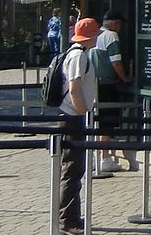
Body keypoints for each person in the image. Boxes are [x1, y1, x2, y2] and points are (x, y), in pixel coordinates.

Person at [58, 18, 100, 235]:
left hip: (74, 116)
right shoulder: (78, 56)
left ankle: (70, 215)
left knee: (74, 169)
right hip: (73, 117)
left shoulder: (78, 54)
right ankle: (68, 219)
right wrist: (84, 114)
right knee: (72, 169)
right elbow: (74, 89)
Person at [92, 10, 132, 172]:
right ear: (115, 24)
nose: (120, 28)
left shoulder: (94, 35)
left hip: (92, 85)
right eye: (120, 24)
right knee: (107, 122)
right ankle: (105, 158)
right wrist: (125, 78)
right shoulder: (111, 36)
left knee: (95, 121)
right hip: (106, 85)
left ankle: (95, 157)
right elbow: (116, 62)